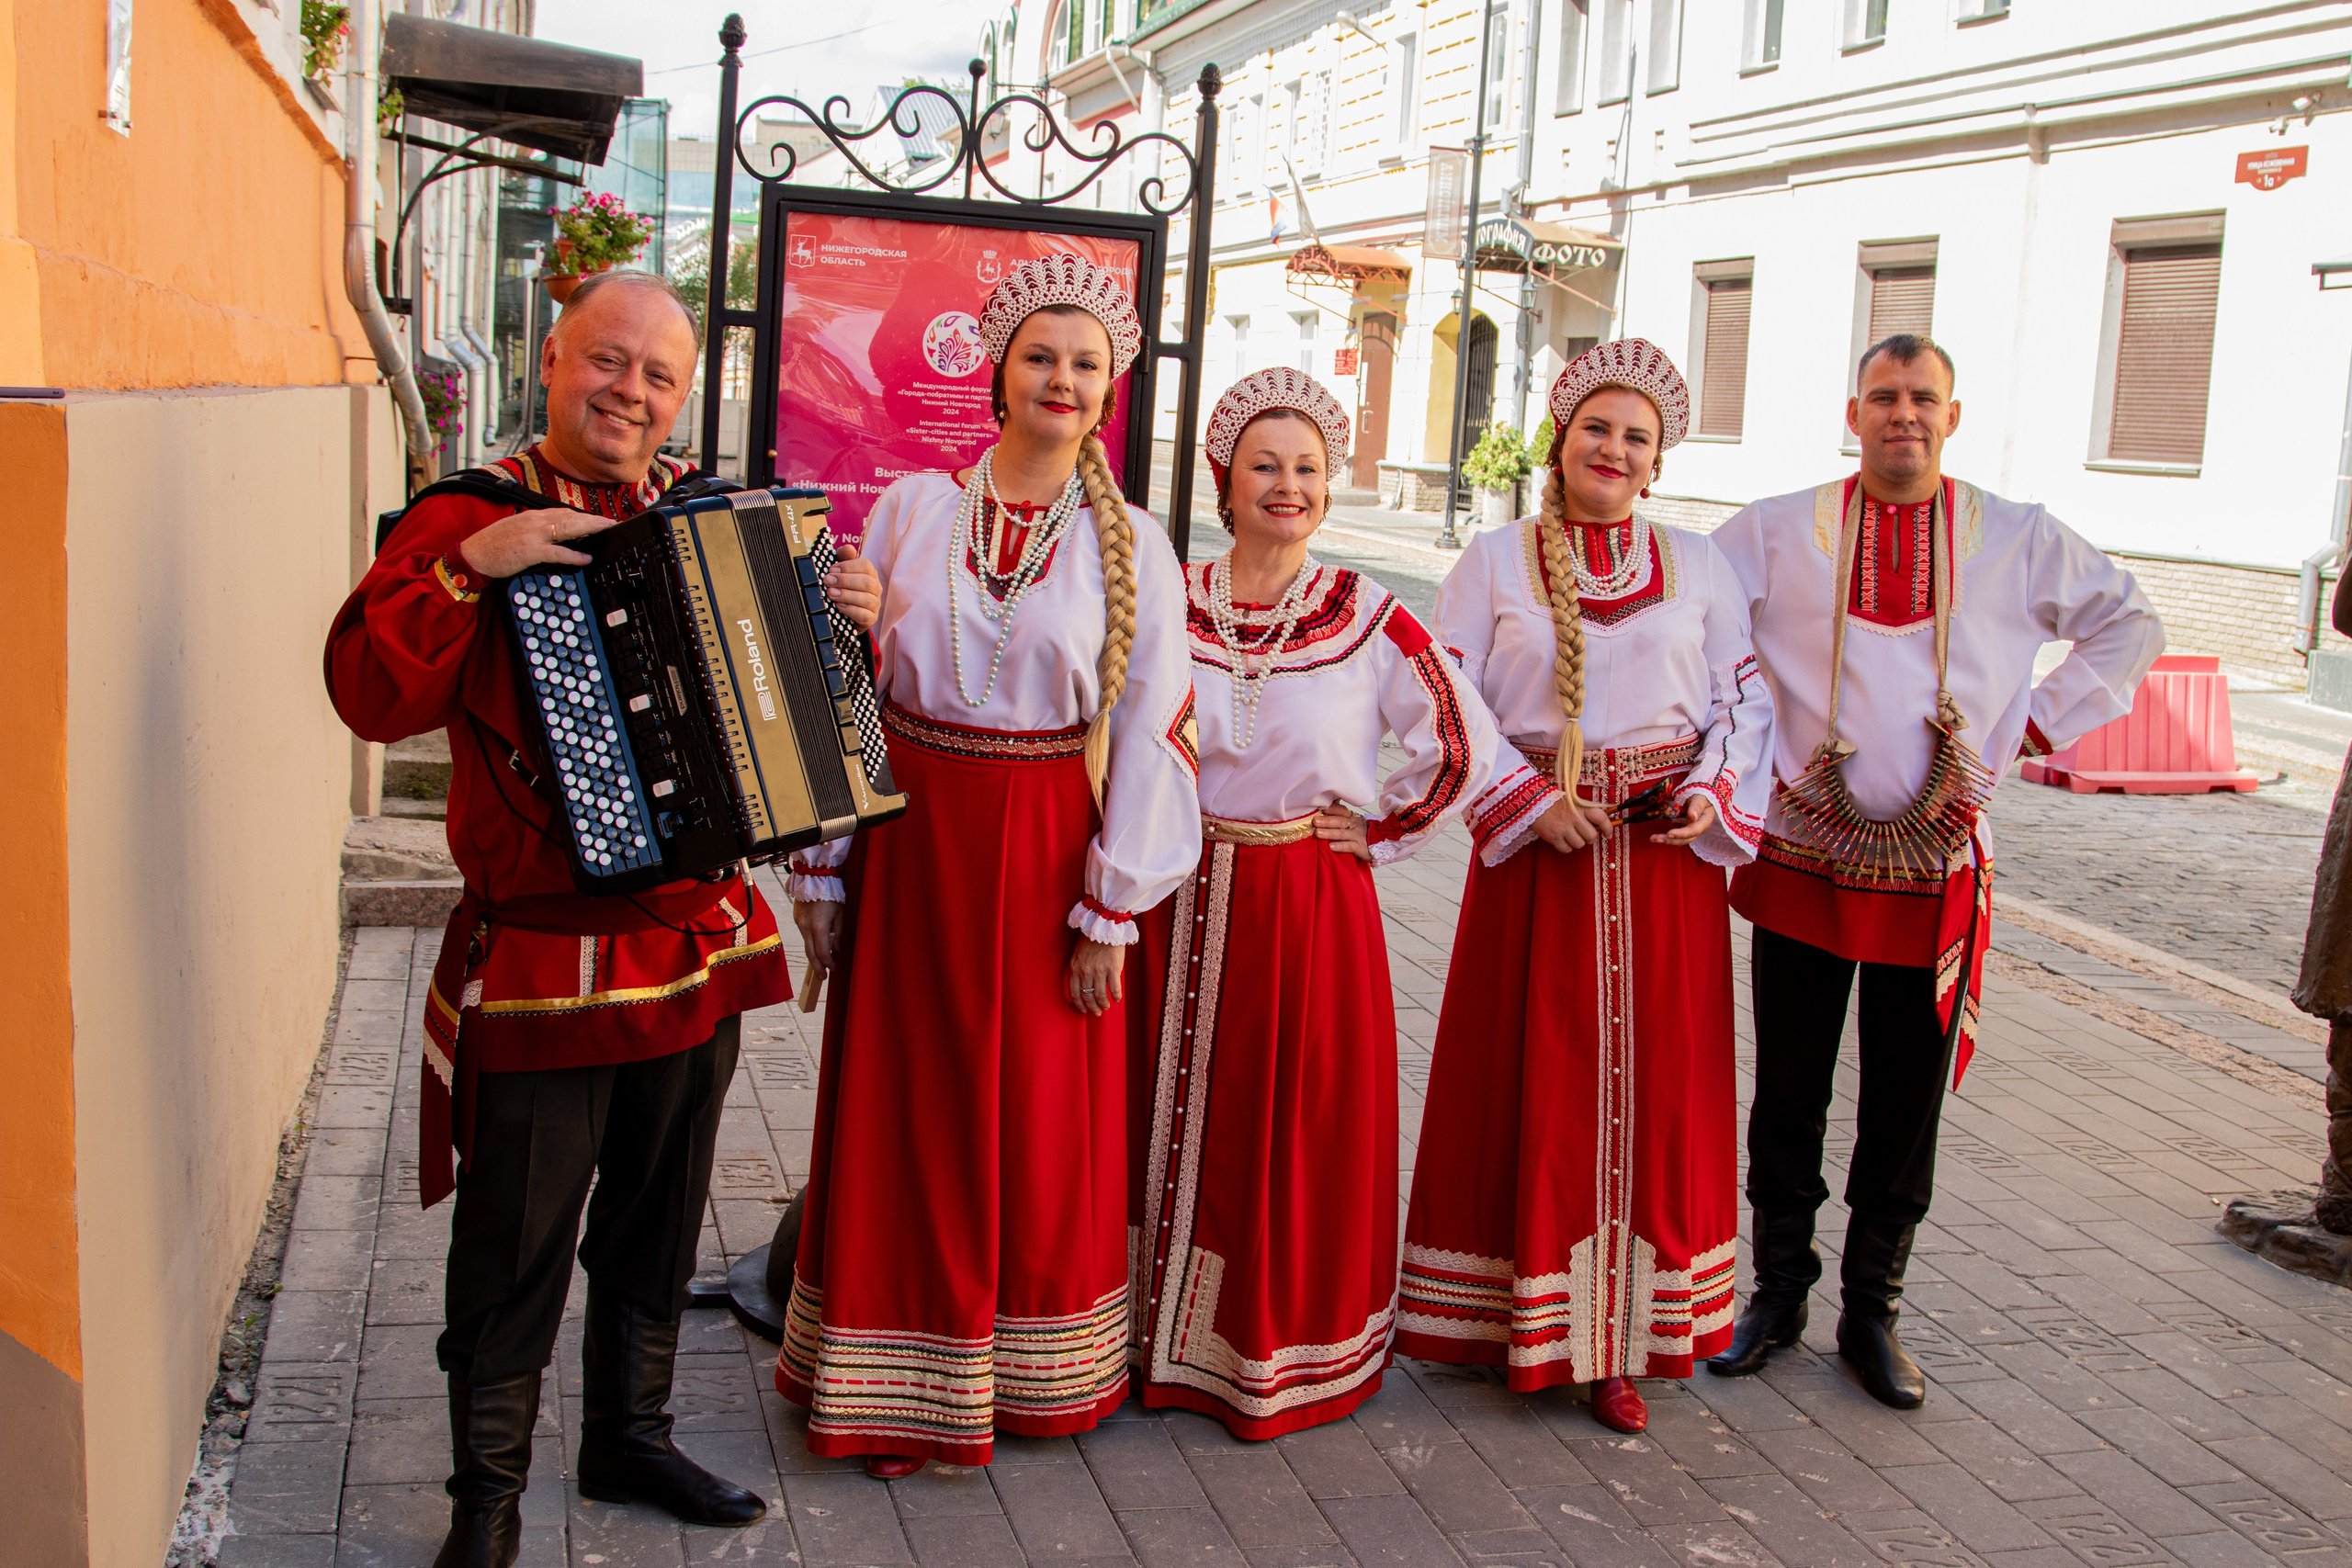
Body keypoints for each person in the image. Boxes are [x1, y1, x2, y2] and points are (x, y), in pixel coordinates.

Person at [326, 271, 804, 1568]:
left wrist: (836, 622)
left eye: (657, 375)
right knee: (515, 1249)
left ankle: (628, 1437)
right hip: (546, 959)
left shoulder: (701, 515)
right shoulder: (468, 515)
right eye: (607, 361)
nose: (629, 392)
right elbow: (368, 694)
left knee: (658, 1219)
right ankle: (484, 1504)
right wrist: (469, 568)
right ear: (550, 359)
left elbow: (783, 706)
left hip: (699, 944)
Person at [775, 255, 1201, 1476]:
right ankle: (893, 1379)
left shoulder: (1138, 546)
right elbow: (849, 695)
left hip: (1049, 858)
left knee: (1037, 1113)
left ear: (1108, 389)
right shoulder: (912, 510)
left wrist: (1109, 908)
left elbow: (1156, 731)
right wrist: (823, 872)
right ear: (999, 375)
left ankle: (1029, 1371)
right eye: (1040, 356)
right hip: (914, 848)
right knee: (910, 1106)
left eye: (1085, 363)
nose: (1062, 378)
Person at [1707, 333, 2162, 1409]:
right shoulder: (1775, 528)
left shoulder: (2017, 536)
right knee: (1788, 1088)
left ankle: (1873, 1312)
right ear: (1853, 414)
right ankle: (1777, 1293)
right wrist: (1736, 746)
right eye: (1883, 396)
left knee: (1905, 1100)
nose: (1902, 413)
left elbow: (2129, 623)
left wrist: (2033, 725)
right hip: (1805, 851)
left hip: (1937, 867)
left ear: (1951, 417)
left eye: (1922, 397)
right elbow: (1696, 621)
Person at [1127, 368, 1564, 1439]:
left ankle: (1267, 1351)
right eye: (1264, 466)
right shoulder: (1167, 597)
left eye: (1307, 469)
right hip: (1173, 890)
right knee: (1156, 1107)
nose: (1287, 485)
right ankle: (1142, 1338)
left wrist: (1383, 827)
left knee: (1285, 1123)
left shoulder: (1367, 614)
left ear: (1327, 489)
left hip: (1303, 899)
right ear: (1225, 482)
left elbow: (1456, 737)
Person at [1396, 339, 1774, 1437]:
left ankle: (1620, 1338)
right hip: (1538, 856)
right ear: (1560, 440)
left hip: (1660, 861)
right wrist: (1523, 799)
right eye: (1596, 428)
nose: (1613, 449)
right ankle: (1504, 1318)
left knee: (1654, 1090)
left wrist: (1709, 791)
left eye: (1635, 437)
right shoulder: (1492, 561)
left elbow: (1743, 699)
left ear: (1657, 462)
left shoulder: (1699, 564)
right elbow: (1442, 694)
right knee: (1529, 1074)